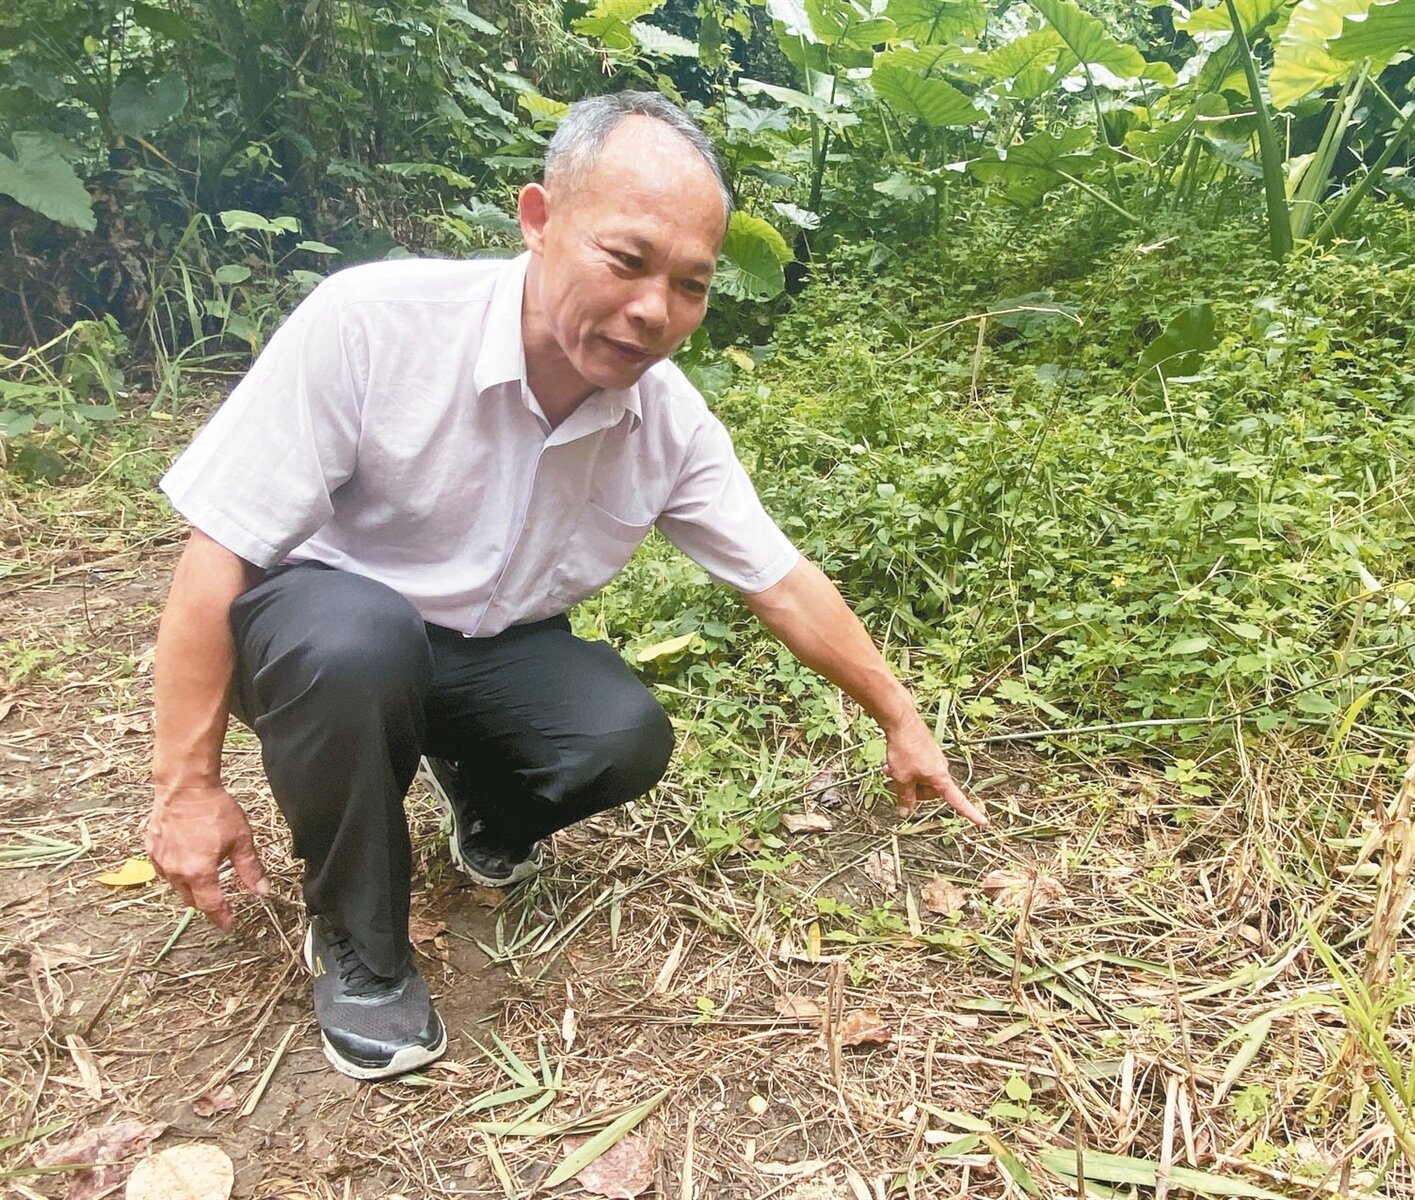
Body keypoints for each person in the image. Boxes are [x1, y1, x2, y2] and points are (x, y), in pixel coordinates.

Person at [146, 91, 987, 1081]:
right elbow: (218, 553)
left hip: (482, 645)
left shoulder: (665, 422)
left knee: (617, 736)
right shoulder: (375, 324)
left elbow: (781, 580)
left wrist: (898, 713)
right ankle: (358, 948)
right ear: (539, 220)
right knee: (358, 642)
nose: (652, 311)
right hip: (319, 630)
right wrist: (187, 787)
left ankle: (483, 807)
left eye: (689, 285)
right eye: (626, 261)